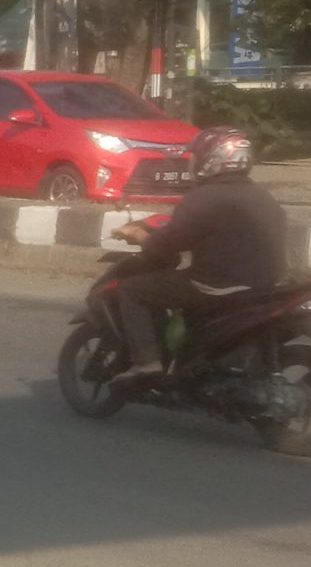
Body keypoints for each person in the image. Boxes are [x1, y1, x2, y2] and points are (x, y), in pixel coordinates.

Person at [104, 126, 287, 394]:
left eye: (197, 156)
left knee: (132, 290)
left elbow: (166, 246)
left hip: (216, 288)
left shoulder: (204, 197)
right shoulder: (262, 195)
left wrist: (140, 235)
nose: (193, 162)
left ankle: (147, 364)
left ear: (211, 159)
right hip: (265, 288)